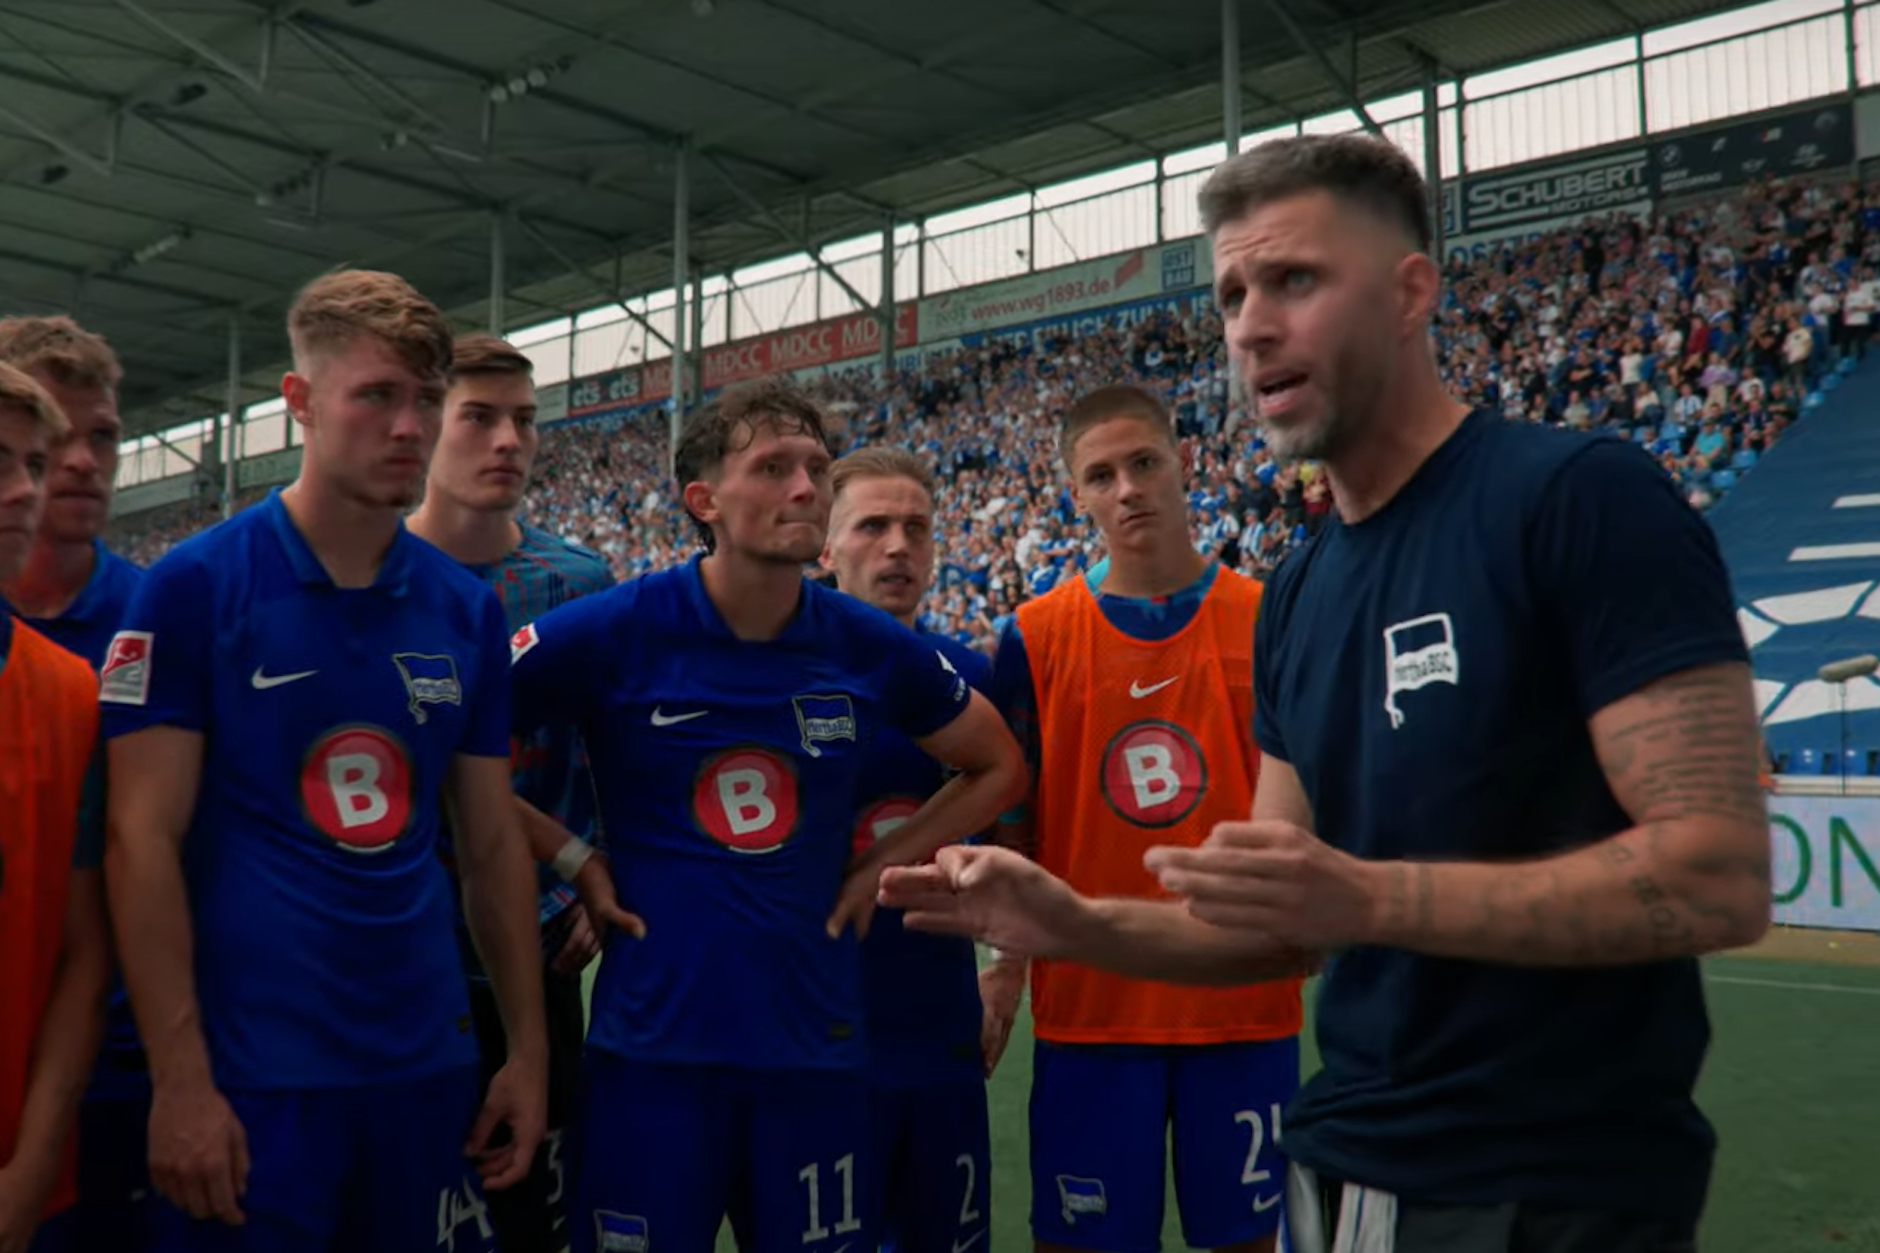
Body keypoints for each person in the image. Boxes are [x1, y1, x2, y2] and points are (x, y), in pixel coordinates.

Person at [882, 133, 1771, 1253]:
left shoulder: (1577, 498)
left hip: (1545, 1182)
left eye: (1294, 279)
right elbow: (1273, 929)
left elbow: (1719, 875)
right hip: (1345, 1164)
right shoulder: (1302, 589)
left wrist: (1368, 901)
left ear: (1410, 292)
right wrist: (1067, 923)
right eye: (1231, 293)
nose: (1251, 324)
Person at [507, 376, 1027, 1253]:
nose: (804, 489)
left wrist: (878, 863)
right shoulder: (612, 629)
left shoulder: (867, 644)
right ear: (702, 500)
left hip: (813, 1058)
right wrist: (575, 860)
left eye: (817, 469)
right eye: (774, 467)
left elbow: (999, 764)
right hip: (653, 1055)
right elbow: (448, 744)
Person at [99, 270, 548, 1253]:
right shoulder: (192, 588)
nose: (408, 426)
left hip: (428, 1070)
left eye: (426, 400)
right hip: (255, 1080)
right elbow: (141, 840)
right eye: (376, 395)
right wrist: (178, 1080)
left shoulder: (464, 607)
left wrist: (526, 1051)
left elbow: (488, 847)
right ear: (299, 402)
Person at [982, 384, 1302, 1253]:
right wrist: (1007, 965)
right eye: (1101, 475)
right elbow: (1015, 813)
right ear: (1076, 494)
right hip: (1093, 1007)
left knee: (1250, 1240)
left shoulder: (1271, 615)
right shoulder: (1034, 635)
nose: (1126, 488)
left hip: (1241, 1003)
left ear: (1184, 462)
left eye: (1144, 463)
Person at [406, 332, 614, 1253]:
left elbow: (616, 760)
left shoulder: (577, 585)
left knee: (536, 1218)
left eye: (524, 421)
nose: (508, 441)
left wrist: (600, 879)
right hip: (402, 956)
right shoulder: (375, 576)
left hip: (540, 956)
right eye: (479, 417)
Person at [818, 445, 994, 1253]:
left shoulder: (970, 679)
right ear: (825, 547)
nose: (898, 546)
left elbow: (1014, 836)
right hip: (817, 1036)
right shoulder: (775, 680)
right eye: (873, 526)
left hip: (939, 1029)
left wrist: (1011, 973)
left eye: (916, 527)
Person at [0, 315, 149, 1253]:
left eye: (104, 437)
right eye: (59, 440)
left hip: (120, 1060)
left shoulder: (162, 617)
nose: (80, 463)